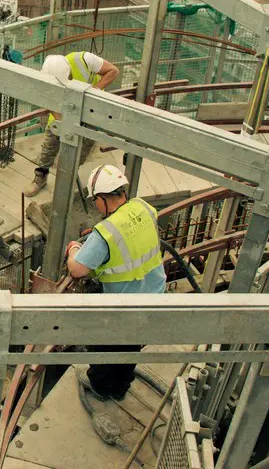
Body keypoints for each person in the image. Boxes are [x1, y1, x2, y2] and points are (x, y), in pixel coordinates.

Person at [65, 164, 165, 401]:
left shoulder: (105, 233)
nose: (95, 206)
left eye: (95, 201)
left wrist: (75, 248)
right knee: (130, 349)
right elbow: (131, 238)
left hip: (125, 307)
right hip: (155, 294)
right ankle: (121, 389)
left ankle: (101, 388)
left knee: (104, 346)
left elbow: (77, 269)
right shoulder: (144, 208)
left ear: (101, 198)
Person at [24, 52, 120, 197]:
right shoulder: (48, 75)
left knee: (82, 148)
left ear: (69, 71)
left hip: (89, 113)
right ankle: (40, 177)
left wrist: (94, 91)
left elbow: (114, 71)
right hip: (62, 113)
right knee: (50, 146)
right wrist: (61, 122)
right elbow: (47, 100)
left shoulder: (84, 60)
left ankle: (68, 179)